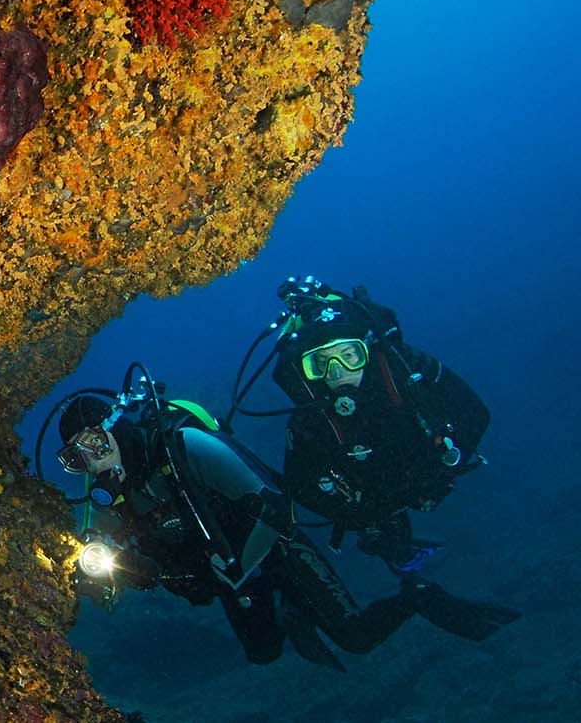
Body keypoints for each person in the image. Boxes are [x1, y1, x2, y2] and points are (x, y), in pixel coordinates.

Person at [45, 366, 519, 669]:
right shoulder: (109, 499)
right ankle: (293, 615)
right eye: (76, 458)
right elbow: (147, 562)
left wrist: (235, 567)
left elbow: (275, 507)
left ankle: (417, 595)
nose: (93, 462)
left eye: (95, 444)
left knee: (355, 638)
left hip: (274, 548)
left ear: (114, 428)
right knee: (264, 654)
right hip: (227, 574)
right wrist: (120, 574)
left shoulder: (184, 446)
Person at [261, 277, 491, 572]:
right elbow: (300, 484)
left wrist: (438, 472)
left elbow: (474, 412)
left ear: (366, 353)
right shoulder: (311, 415)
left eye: (349, 356)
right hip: (373, 503)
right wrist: (365, 515)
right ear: (308, 370)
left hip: (427, 477)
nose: (338, 372)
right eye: (322, 363)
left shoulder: (405, 370)